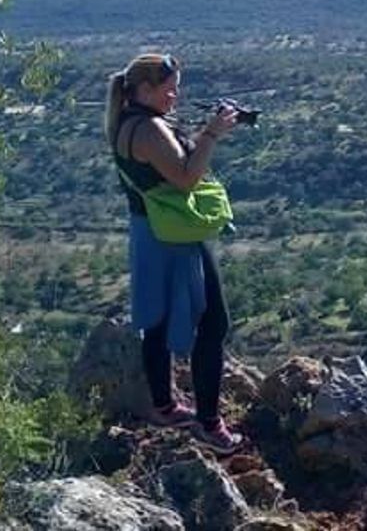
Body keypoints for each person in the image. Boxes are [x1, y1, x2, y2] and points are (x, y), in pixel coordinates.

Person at [104, 52, 242, 454]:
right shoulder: (148, 130)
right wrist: (212, 135)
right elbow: (184, 178)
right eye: (169, 89)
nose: (175, 96)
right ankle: (209, 424)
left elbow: (171, 165)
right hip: (174, 235)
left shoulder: (127, 122)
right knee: (213, 323)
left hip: (147, 231)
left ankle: (164, 406)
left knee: (158, 320)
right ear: (145, 89)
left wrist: (203, 133)